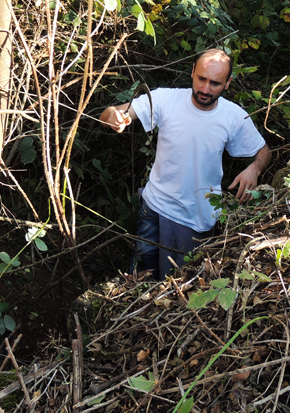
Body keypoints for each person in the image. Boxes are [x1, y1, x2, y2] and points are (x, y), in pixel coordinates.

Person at [100, 49, 271, 280]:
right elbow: (113, 112)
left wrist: (254, 169)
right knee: (139, 283)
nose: (205, 89)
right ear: (192, 72)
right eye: (201, 79)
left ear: (228, 83)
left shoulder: (233, 116)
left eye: (215, 83)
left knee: (179, 289)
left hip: (196, 219)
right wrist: (115, 117)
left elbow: (263, 151)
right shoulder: (166, 99)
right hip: (153, 208)